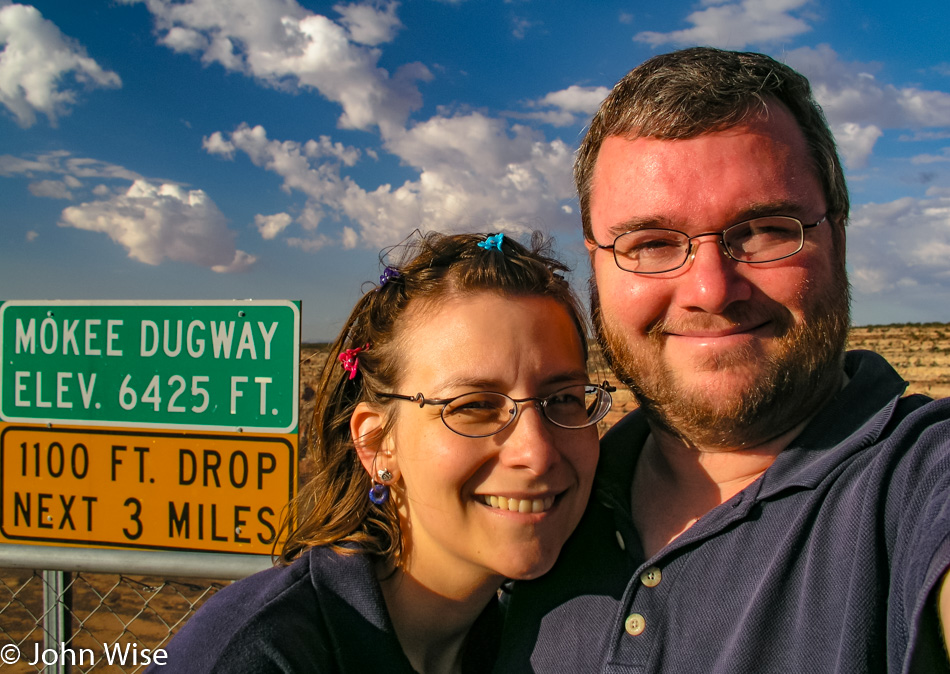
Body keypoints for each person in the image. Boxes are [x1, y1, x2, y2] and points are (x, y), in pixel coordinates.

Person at [495, 47, 950, 673]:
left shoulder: (918, 482)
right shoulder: (544, 500)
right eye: (651, 243)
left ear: (837, 236)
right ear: (595, 265)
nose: (711, 289)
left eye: (765, 229)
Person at [151, 232, 612, 673]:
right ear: (376, 443)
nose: (536, 451)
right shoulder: (262, 657)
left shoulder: (533, 641)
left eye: (563, 399)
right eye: (473, 406)